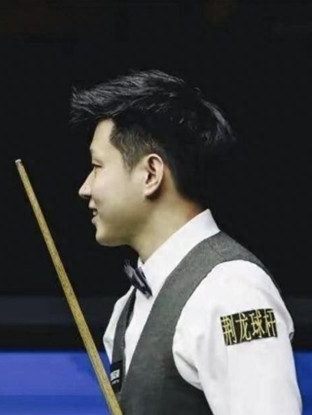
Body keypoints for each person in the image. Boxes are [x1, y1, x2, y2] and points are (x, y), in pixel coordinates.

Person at [72, 70, 301, 414]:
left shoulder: (233, 291)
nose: (85, 188)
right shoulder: (127, 308)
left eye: (97, 166)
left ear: (150, 174)